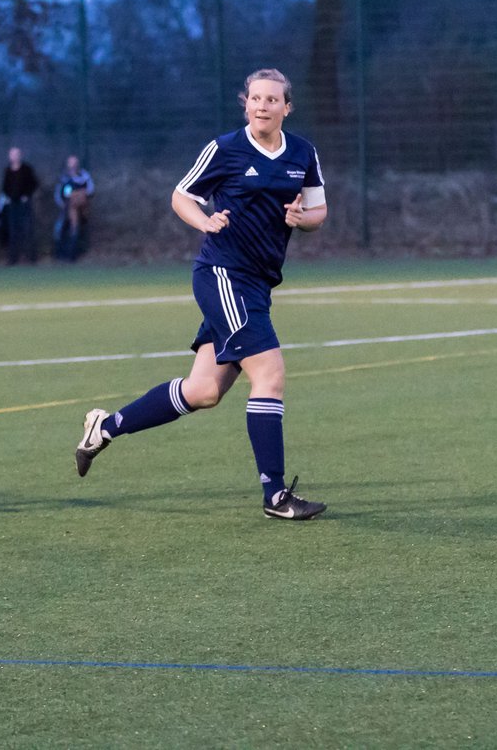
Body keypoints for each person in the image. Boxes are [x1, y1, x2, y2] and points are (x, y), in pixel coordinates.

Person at [73, 68, 329, 520]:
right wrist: (204, 221)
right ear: (245, 103)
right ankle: (275, 496)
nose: (262, 106)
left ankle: (105, 428)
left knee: (204, 390)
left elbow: (318, 209)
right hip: (223, 274)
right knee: (269, 373)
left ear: (287, 107)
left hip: (258, 283)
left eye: (272, 100)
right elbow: (181, 195)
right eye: (255, 98)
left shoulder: (303, 153)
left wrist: (300, 219)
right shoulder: (225, 148)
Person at [1, 146, 39, 264]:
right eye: (12, 154)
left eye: (16, 154)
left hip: (24, 204)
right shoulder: (7, 170)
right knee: (13, 231)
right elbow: (5, 187)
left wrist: (26, 195)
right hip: (12, 204)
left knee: (27, 229)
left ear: (20, 155)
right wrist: (7, 197)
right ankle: (13, 258)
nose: (14, 156)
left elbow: (34, 183)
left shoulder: (27, 169)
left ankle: (31, 257)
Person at [54, 155, 95, 261]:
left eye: (74, 162)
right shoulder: (64, 178)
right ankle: (60, 255)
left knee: (75, 230)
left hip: (80, 209)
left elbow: (90, 190)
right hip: (65, 208)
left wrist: (80, 195)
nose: (73, 165)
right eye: (70, 163)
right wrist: (62, 204)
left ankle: (72, 256)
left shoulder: (85, 176)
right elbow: (59, 194)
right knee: (59, 230)